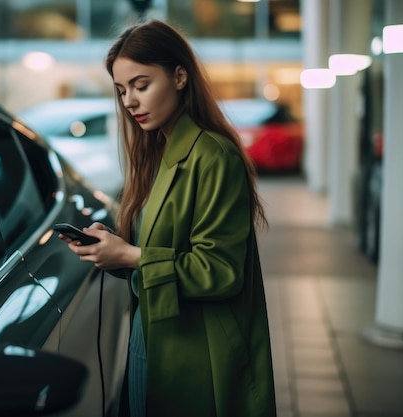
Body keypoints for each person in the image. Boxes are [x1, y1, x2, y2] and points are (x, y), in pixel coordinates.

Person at [58, 19, 276, 417]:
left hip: (196, 348)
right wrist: (115, 246)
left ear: (179, 77)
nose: (129, 102)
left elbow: (221, 270)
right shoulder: (156, 151)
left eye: (141, 85)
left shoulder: (213, 155)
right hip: (151, 333)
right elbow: (156, 250)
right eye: (122, 90)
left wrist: (129, 256)